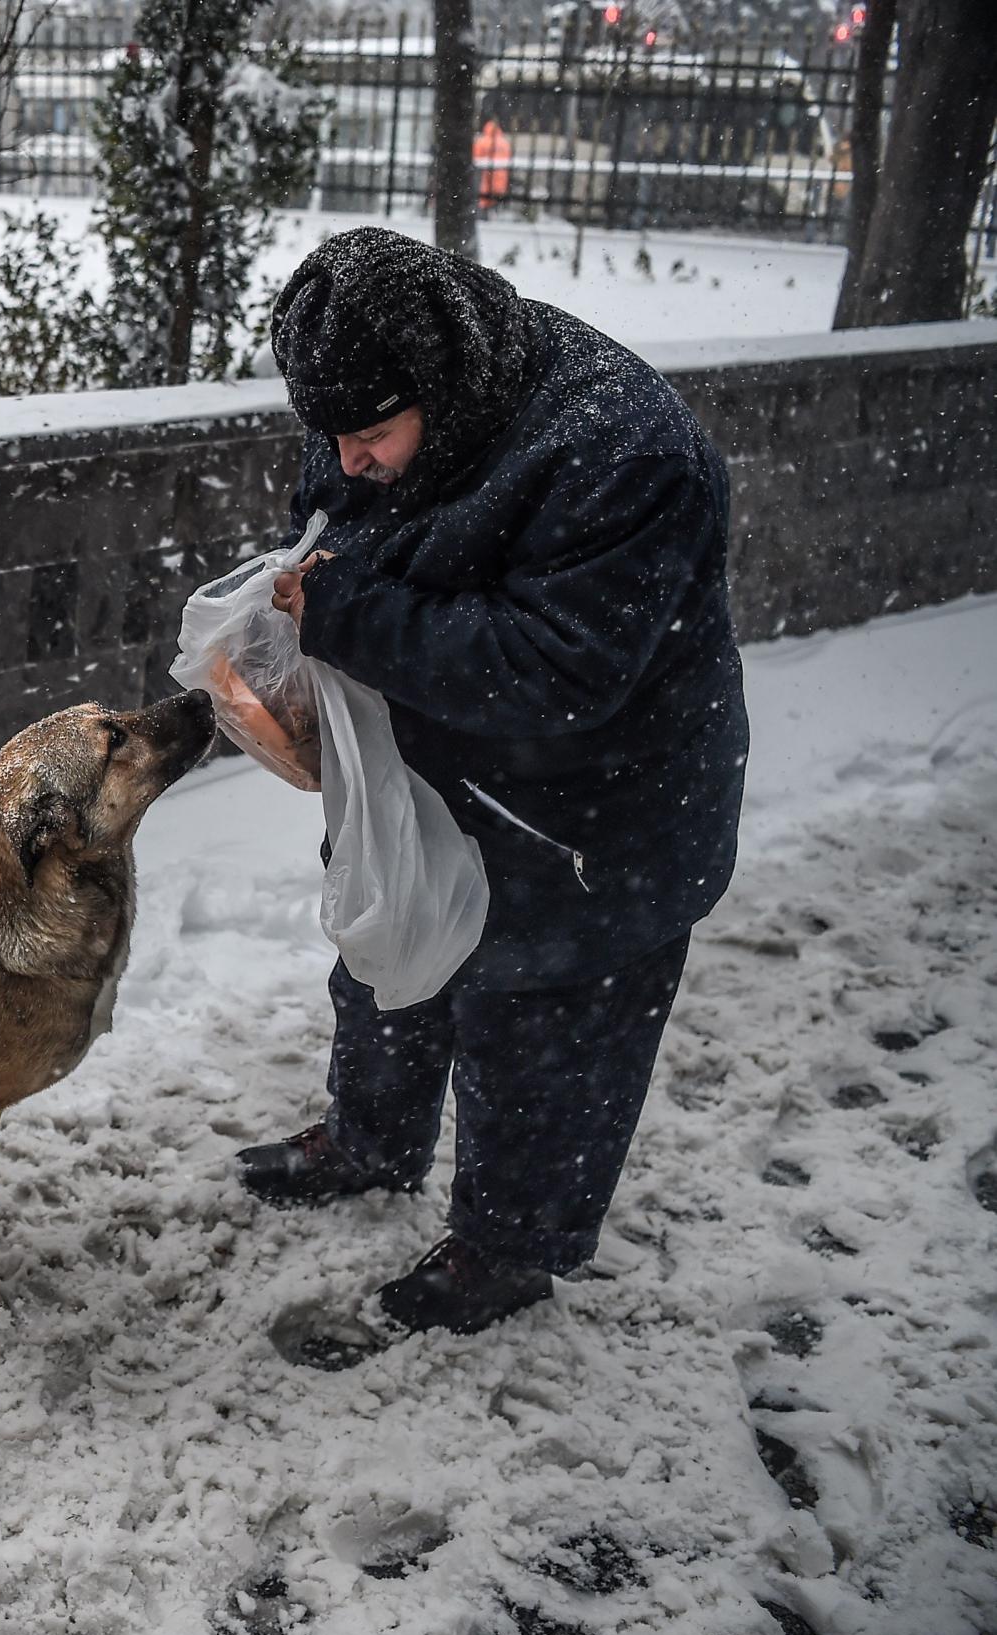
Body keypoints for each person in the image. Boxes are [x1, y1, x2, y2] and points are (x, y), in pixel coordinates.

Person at [239, 226, 748, 1335]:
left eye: (370, 433)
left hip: (593, 820)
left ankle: (507, 1249)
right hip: (430, 780)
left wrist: (344, 617)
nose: (348, 457)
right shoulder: (376, 410)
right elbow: (333, 524)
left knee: (543, 1035)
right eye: (328, 433)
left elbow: (552, 668)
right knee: (384, 961)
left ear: (443, 381)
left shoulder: (623, 450)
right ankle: (370, 1141)